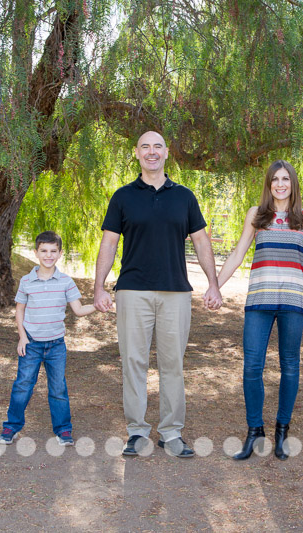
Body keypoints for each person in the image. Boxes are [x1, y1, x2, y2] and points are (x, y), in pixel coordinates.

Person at [94, 131, 222, 458]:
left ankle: (171, 433)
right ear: (136, 153)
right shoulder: (123, 197)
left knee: (172, 364)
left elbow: (201, 241)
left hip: (175, 292)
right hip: (132, 291)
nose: (152, 152)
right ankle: (136, 432)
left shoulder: (184, 197)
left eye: (158, 147)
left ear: (166, 153)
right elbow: (109, 243)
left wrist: (213, 283)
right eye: (145, 147)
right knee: (133, 362)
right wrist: (98, 286)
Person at [216, 160, 303, 460]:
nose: (280, 184)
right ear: (268, 185)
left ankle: (282, 430)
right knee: (252, 366)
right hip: (259, 300)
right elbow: (239, 253)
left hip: (294, 301)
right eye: (275, 180)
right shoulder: (257, 215)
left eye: (286, 179)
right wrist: (215, 285)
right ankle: (255, 431)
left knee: (289, 366)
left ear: (293, 184)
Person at [0, 231, 96, 446]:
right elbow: (20, 311)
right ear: (36, 252)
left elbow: (78, 310)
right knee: (23, 385)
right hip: (31, 344)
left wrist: (97, 306)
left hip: (56, 345)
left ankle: (63, 430)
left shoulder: (65, 281)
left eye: (53, 251)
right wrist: (22, 338)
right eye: (44, 251)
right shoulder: (26, 281)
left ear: (60, 254)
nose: (48, 255)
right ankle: (11, 427)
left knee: (58, 388)